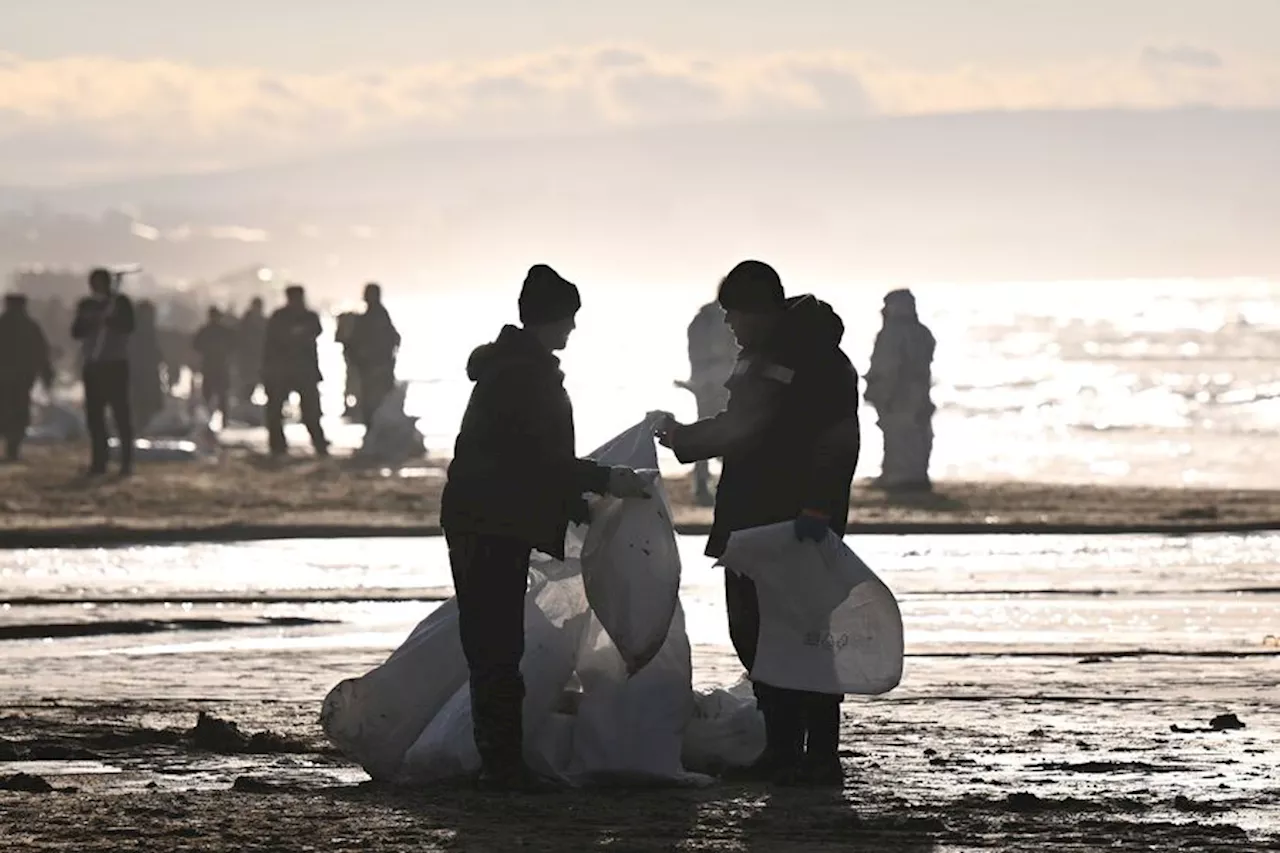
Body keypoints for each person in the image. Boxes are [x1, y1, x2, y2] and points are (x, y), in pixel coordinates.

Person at [440, 264, 651, 792]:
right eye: (569, 318)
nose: (573, 329)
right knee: (496, 645)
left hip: (481, 516)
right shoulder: (525, 376)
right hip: (489, 522)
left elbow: (524, 460)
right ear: (551, 318)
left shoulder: (511, 368)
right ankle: (502, 767)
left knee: (493, 641)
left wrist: (576, 504)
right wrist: (606, 479)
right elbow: (538, 460)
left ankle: (500, 759)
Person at [653, 260, 860, 787]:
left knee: (803, 635)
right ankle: (784, 746)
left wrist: (683, 438)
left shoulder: (816, 362)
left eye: (734, 314)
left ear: (761, 309)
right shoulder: (764, 358)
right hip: (752, 516)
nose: (729, 326)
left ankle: (818, 755)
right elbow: (742, 427)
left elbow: (831, 444)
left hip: (792, 523)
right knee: (756, 635)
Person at [864, 289, 936, 492]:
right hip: (910, 394)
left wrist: (882, 389)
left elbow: (889, 367)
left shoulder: (896, 334)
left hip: (902, 394)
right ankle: (898, 474)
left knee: (905, 434)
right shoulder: (920, 332)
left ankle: (905, 477)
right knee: (901, 435)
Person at [71, 268, 136, 476]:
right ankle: (100, 462)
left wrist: (110, 319)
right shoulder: (87, 305)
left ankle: (126, 462)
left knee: (121, 415)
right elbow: (76, 331)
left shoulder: (121, 303)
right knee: (95, 417)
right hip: (93, 364)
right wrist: (94, 320)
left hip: (115, 364)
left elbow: (129, 326)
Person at [676, 300, 740, 505]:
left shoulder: (701, 319)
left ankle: (702, 484)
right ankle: (721, 483)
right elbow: (735, 350)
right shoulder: (728, 317)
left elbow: (693, 352)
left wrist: (697, 380)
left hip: (703, 382)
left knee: (705, 429)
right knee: (730, 430)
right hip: (725, 380)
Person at [262, 285, 329, 457]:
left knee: (310, 413)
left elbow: (315, 331)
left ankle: (319, 444)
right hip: (284, 371)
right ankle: (278, 447)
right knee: (277, 412)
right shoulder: (282, 317)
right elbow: (273, 341)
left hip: (300, 371)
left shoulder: (307, 317)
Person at [0, 294, 54, 462]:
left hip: (10, 377)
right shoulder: (30, 326)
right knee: (18, 412)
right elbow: (41, 352)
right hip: (21, 378)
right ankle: (13, 448)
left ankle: (12, 448)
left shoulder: (4, 325)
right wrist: (47, 374)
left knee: (10, 411)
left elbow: (41, 352)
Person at [348, 282, 401, 427]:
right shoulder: (374, 315)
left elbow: (391, 339)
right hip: (373, 367)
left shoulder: (376, 316)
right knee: (375, 403)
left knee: (376, 403)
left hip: (376, 367)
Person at [192, 307, 237, 422]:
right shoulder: (225, 331)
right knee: (222, 394)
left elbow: (195, 346)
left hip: (209, 365)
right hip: (221, 365)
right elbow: (234, 346)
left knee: (209, 393)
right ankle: (223, 420)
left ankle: (209, 420)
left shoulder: (205, 331)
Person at [129, 300, 165, 432]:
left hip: (142, 374)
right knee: (142, 406)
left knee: (141, 407)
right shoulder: (142, 331)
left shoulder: (137, 330)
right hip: (142, 375)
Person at [236, 297, 267, 404]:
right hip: (248, 359)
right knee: (247, 385)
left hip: (258, 358)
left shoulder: (260, 321)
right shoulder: (246, 322)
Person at [334, 311, 361, 419]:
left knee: (353, 384)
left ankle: (353, 406)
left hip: (356, 362)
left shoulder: (353, 327)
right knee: (352, 383)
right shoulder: (352, 327)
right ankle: (352, 406)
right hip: (353, 362)